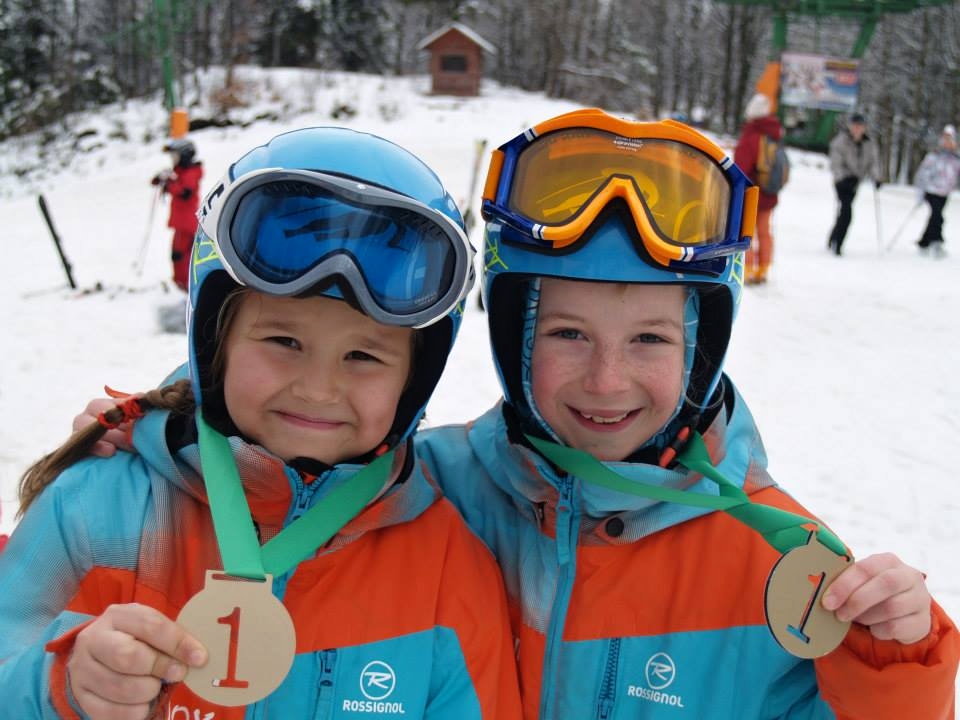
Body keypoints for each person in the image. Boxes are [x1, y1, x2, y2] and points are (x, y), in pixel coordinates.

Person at [68, 111, 960, 718]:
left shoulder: (784, 562)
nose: (607, 379)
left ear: (703, 348)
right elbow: (287, 437)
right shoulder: (424, 488)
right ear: (509, 335)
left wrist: (897, 662)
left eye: (650, 339)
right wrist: (159, 432)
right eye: (567, 332)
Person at [0, 127, 521, 719]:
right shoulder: (95, 511)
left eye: (363, 356)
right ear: (215, 341)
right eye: (283, 341)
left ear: (413, 381)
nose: (318, 388)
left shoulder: (447, 570)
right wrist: (60, 690)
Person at [734, 92, 784, 285]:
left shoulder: (752, 134)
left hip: (752, 192)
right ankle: (763, 268)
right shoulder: (774, 132)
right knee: (764, 231)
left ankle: (747, 270)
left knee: (746, 232)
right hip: (769, 191)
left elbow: (741, 167)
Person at [827, 113, 881, 256]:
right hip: (843, 181)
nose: (857, 129)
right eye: (855, 126)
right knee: (847, 211)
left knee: (844, 210)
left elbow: (873, 162)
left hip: (856, 182)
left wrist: (876, 178)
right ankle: (838, 243)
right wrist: (841, 179)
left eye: (860, 126)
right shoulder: (841, 141)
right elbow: (835, 162)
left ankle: (833, 237)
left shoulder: (868, 143)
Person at [153, 138, 203, 291]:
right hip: (181, 222)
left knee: (182, 255)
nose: (172, 159)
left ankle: (186, 286)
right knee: (177, 255)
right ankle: (180, 284)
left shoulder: (191, 172)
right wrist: (163, 179)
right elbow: (158, 182)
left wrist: (170, 184)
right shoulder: (180, 172)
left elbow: (185, 192)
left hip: (187, 223)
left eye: (175, 156)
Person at [914, 123, 960, 258]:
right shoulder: (934, 156)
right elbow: (922, 174)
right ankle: (936, 242)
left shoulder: (955, 159)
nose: (947, 142)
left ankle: (924, 242)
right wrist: (920, 193)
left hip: (944, 193)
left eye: (950, 139)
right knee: (937, 216)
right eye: (945, 139)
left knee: (935, 216)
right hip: (931, 191)